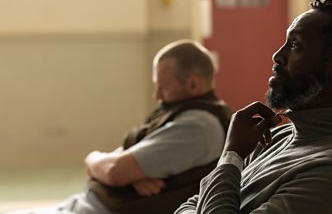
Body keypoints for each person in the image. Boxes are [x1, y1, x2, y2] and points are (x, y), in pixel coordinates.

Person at [175, 0, 332, 214]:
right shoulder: (278, 137)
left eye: (295, 45)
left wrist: (231, 155)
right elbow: (192, 205)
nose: (277, 56)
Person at [9, 40, 232, 214]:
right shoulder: (185, 115)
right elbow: (115, 166)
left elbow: (114, 171)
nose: (157, 96)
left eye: (163, 87)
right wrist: (125, 169)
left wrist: (94, 159)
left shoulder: (199, 126)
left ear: (193, 83)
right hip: (88, 204)